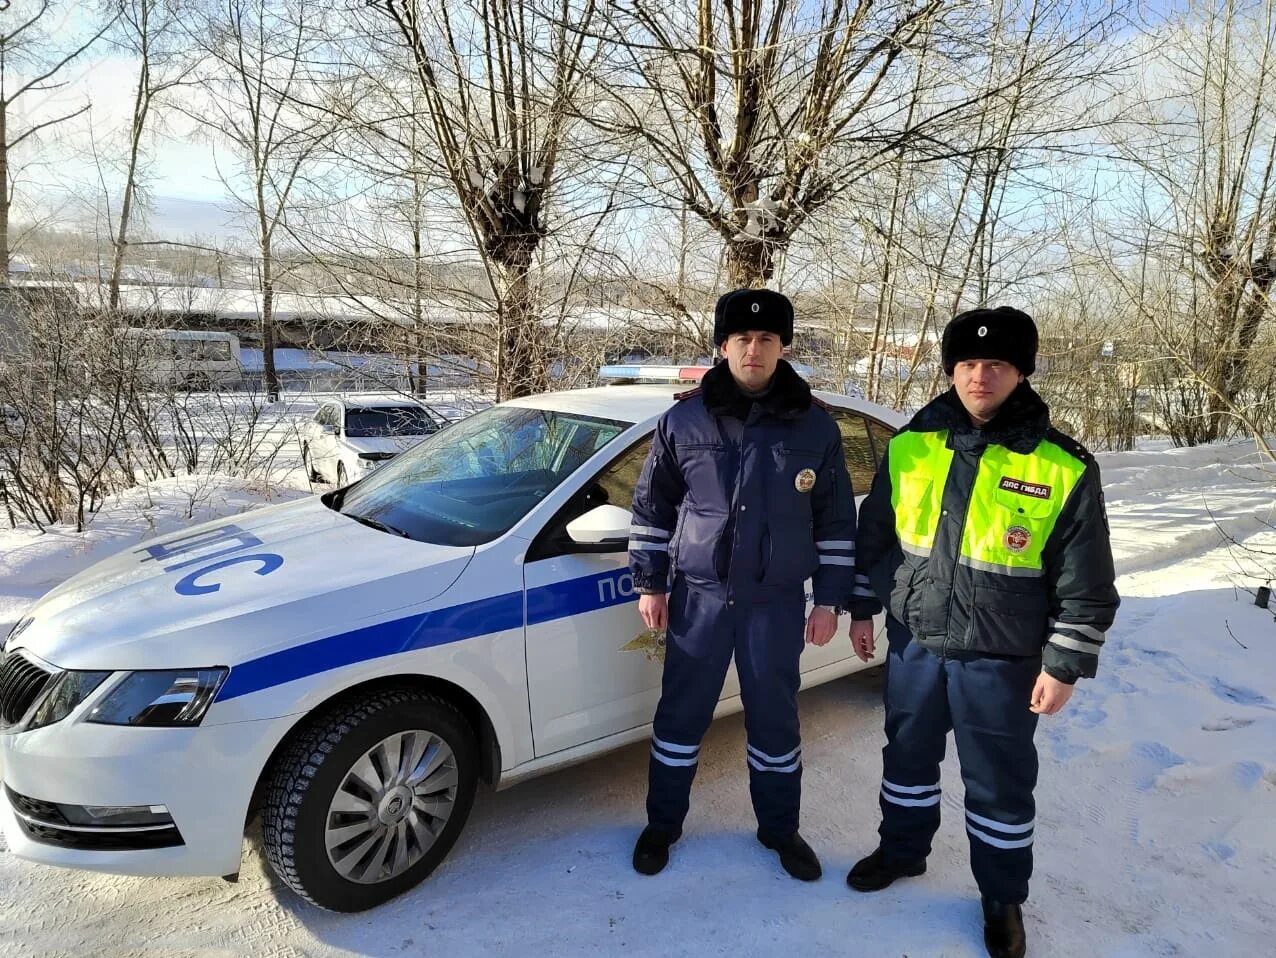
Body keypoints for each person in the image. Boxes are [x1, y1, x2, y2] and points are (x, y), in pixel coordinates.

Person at [843, 307, 1119, 958]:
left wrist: (1064, 663)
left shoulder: (1064, 467)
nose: (979, 375)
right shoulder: (911, 446)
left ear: (1021, 371)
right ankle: (902, 852)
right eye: (967, 363)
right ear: (950, 369)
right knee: (905, 759)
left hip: (1002, 655)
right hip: (916, 643)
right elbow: (876, 537)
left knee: (998, 781)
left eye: (996, 364)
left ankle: (1002, 899)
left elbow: (1087, 581)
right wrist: (870, 605)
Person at [627, 287, 857, 881]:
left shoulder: (814, 427)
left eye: (767, 339)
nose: (754, 349)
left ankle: (780, 829)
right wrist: (651, 584)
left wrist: (830, 599)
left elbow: (835, 521)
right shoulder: (683, 419)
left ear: (783, 347)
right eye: (742, 339)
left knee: (776, 719)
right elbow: (652, 508)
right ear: (723, 345)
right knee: (680, 714)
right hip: (699, 598)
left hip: (774, 603)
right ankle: (663, 825)